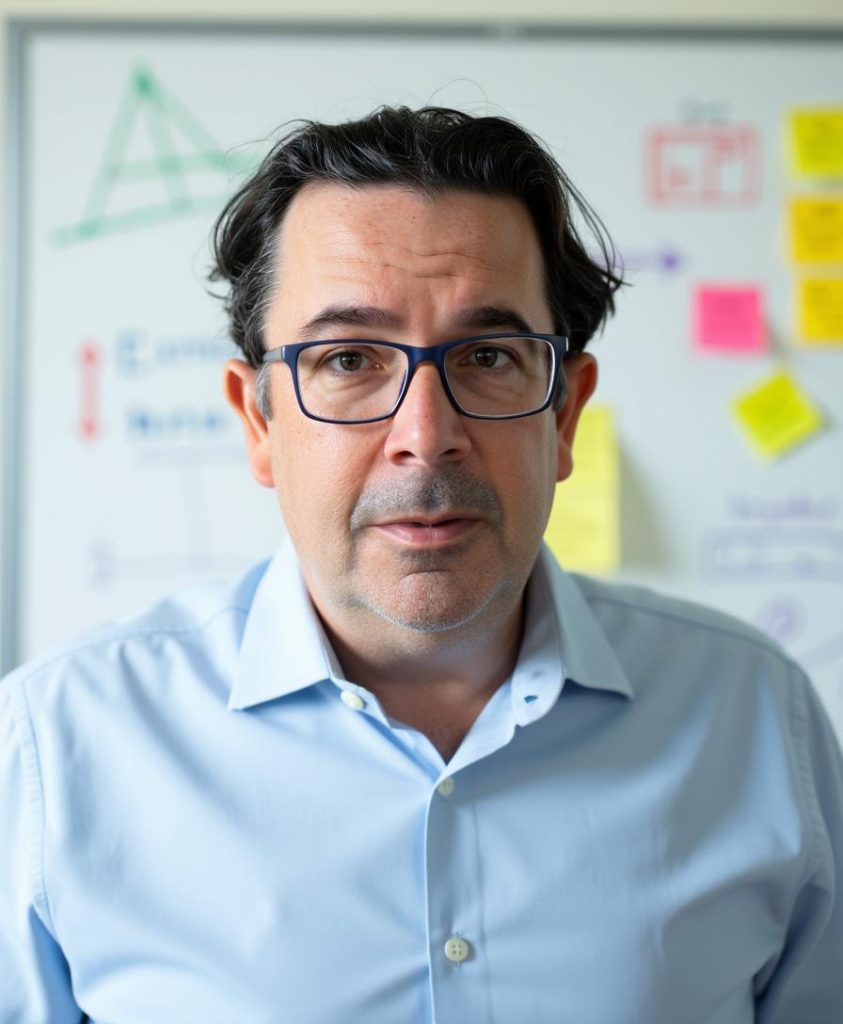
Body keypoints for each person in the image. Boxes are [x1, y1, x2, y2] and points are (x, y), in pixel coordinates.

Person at [1, 106, 841, 1024]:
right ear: (258, 421)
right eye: (348, 358)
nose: (425, 435)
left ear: (564, 416)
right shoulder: (59, 745)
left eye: (487, 356)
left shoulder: (757, 716)